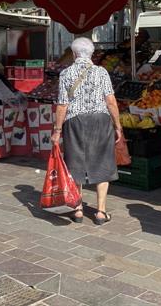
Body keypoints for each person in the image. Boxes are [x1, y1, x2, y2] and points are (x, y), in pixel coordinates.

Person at [51, 37, 122, 224]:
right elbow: (111, 101)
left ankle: (78, 209)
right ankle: (101, 212)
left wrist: (57, 130)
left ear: (74, 54)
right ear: (92, 54)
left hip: (74, 122)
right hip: (100, 120)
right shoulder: (101, 72)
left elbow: (62, 105)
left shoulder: (66, 73)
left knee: (75, 163)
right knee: (103, 162)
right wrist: (118, 125)